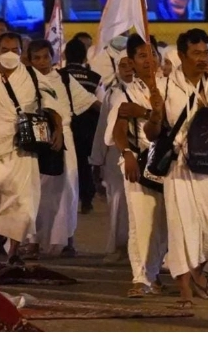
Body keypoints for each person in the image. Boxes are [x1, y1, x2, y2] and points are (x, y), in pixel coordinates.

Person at [148, 28, 208, 309]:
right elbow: (152, 134)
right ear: (181, 55)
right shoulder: (165, 86)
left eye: (205, 52)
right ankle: (185, 291)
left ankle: (199, 271)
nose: (202, 58)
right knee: (182, 230)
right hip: (180, 170)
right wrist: (155, 114)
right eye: (196, 53)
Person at [0, 32, 63, 266]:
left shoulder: (33, 76)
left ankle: (14, 252)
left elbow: (52, 104)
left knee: (24, 203)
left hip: (24, 149)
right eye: (5, 50)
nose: (10, 54)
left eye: (15, 50)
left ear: (21, 52)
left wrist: (58, 130)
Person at [24, 40, 100, 259]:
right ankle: (33, 241)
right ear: (30, 60)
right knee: (36, 190)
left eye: (45, 57)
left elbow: (91, 102)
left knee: (68, 189)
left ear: (53, 56)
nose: (42, 62)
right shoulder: (24, 81)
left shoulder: (64, 79)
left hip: (65, 138)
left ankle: (67, 240)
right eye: (36, 58)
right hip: (36, 136)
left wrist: (115, 114)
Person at [107, 33, 168, 298]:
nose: (149, 60)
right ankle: (141, 278)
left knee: (162, 224)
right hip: (139, 164)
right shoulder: (125, 91)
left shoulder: (171, 88)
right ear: (131, 61)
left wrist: (143, 112)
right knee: (141, 223)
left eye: (152, 54)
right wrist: (127, 153)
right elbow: (119, 129)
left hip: (168, 164)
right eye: (142, 55)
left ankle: (154, 273)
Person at [90, 50, 134, 263]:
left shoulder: (149, 90)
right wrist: (97, 159)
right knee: (117, 202)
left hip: (140, 153)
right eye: (123, 66)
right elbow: (102, 129)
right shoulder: (112, 94)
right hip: (115, 156)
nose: (128, 70)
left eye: (130, 65)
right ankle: (117, 246)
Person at [62, 38, 103, 213]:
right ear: (85, 57)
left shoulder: (58, 75)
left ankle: (68, 197)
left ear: (65, 55)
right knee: (85, 163)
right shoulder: (95, 78)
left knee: (67, 162)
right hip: (88, 127)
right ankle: (86, 198)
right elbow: (101, 104)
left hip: (66, 125)